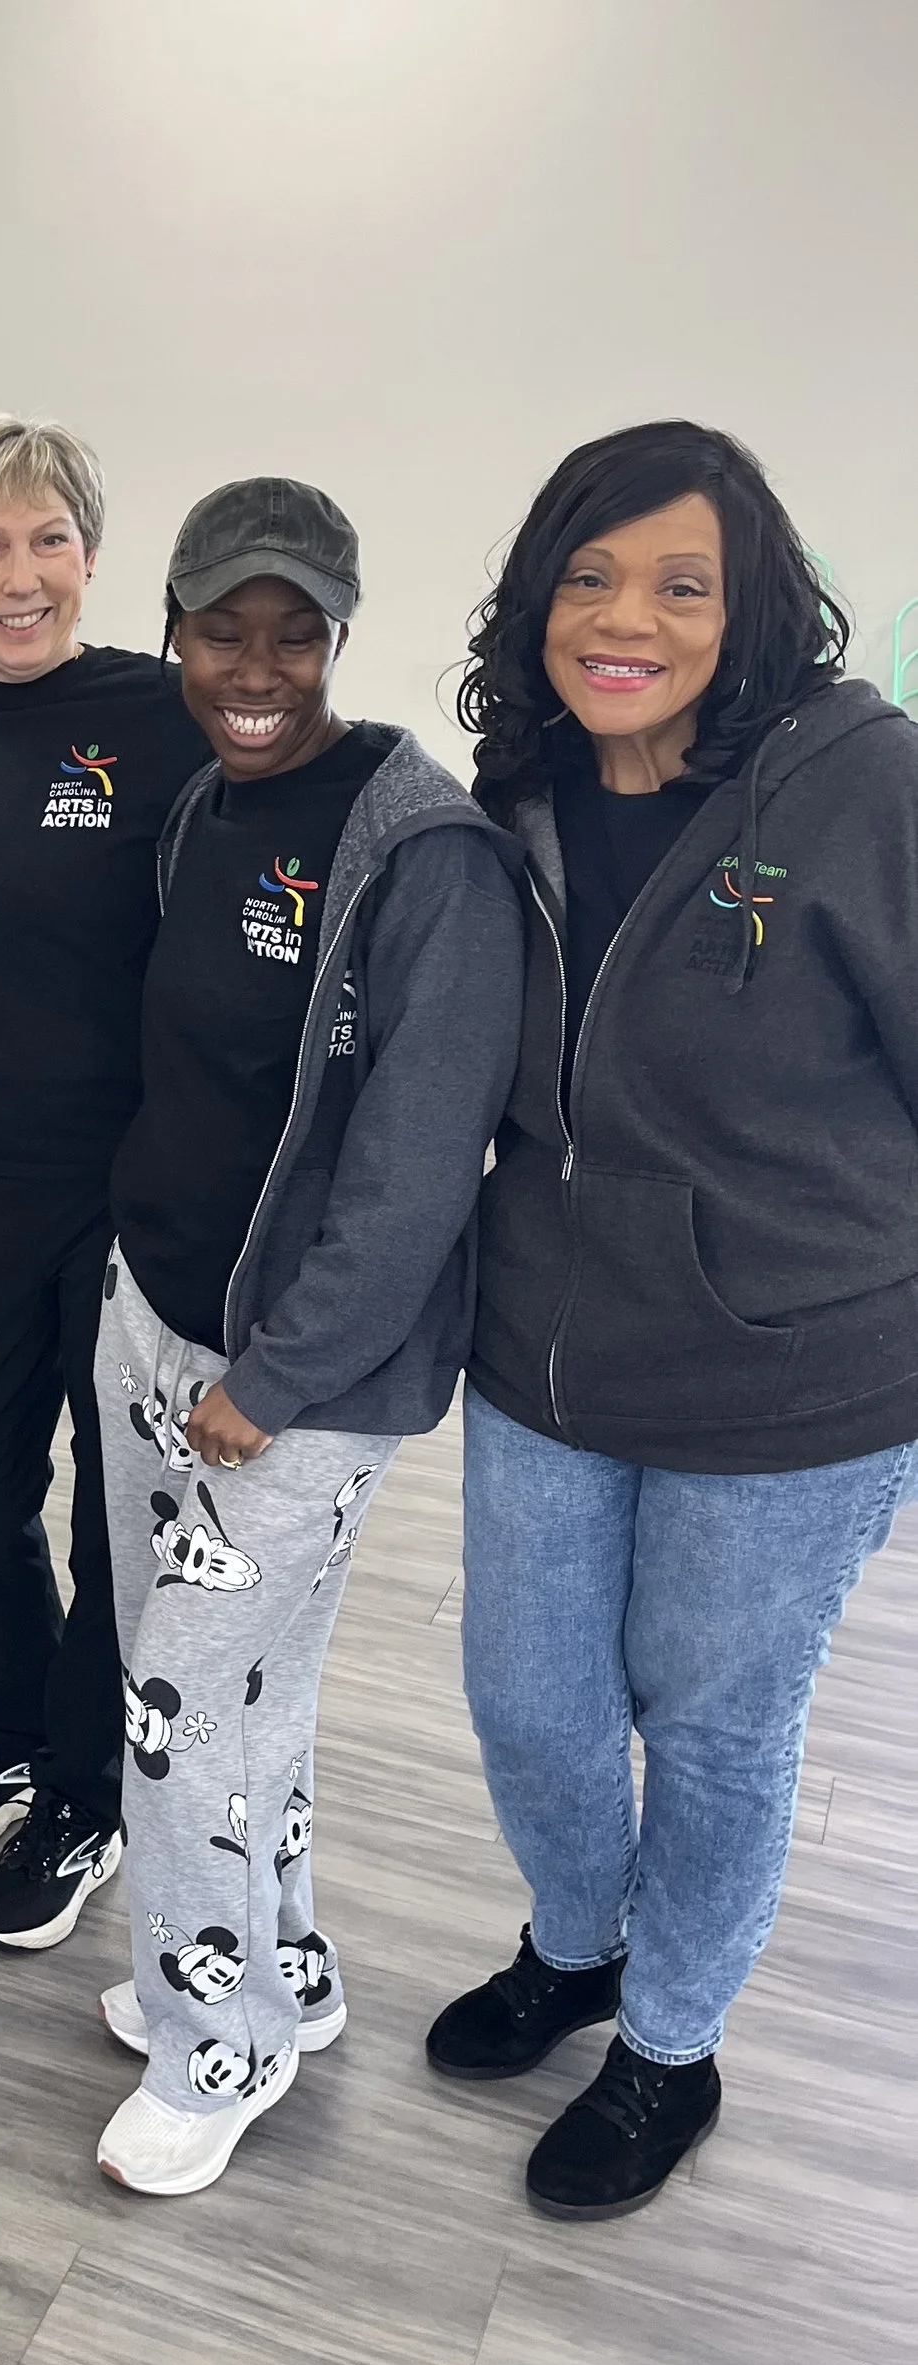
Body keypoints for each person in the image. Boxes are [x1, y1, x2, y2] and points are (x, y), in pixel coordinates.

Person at [430, 422, 918, 2218]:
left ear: (756, 603)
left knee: (711, 1728)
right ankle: (579, 1943)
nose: (627, 614)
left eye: (681, 582)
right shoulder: (520, 800)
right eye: (590, 574)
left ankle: (672, 2044)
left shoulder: (860, 784)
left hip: (796, 1378)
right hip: (546, 1349)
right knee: (534, 1709)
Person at [91, 479, 522, 2197]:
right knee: (231, 1696)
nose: (253, 665)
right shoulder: (201, 802)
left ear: (340, 637)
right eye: (221, 629)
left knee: (185, 1716)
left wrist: (273, 1382)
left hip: (297, 1379)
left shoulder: (426, 854)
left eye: (293, 631)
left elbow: (422, 1171)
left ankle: (221, 2044)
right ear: (178, 633)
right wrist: (152, 1321)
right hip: (157, 1319)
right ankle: (277, 1966)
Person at [0, 415, 210, 1947]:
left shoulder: (165, 717)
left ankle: (89, 1795)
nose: (20, 577)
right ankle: (16, 1730)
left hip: (134, 1195)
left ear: (91, 554)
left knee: (110, 1514)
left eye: (47, 541)